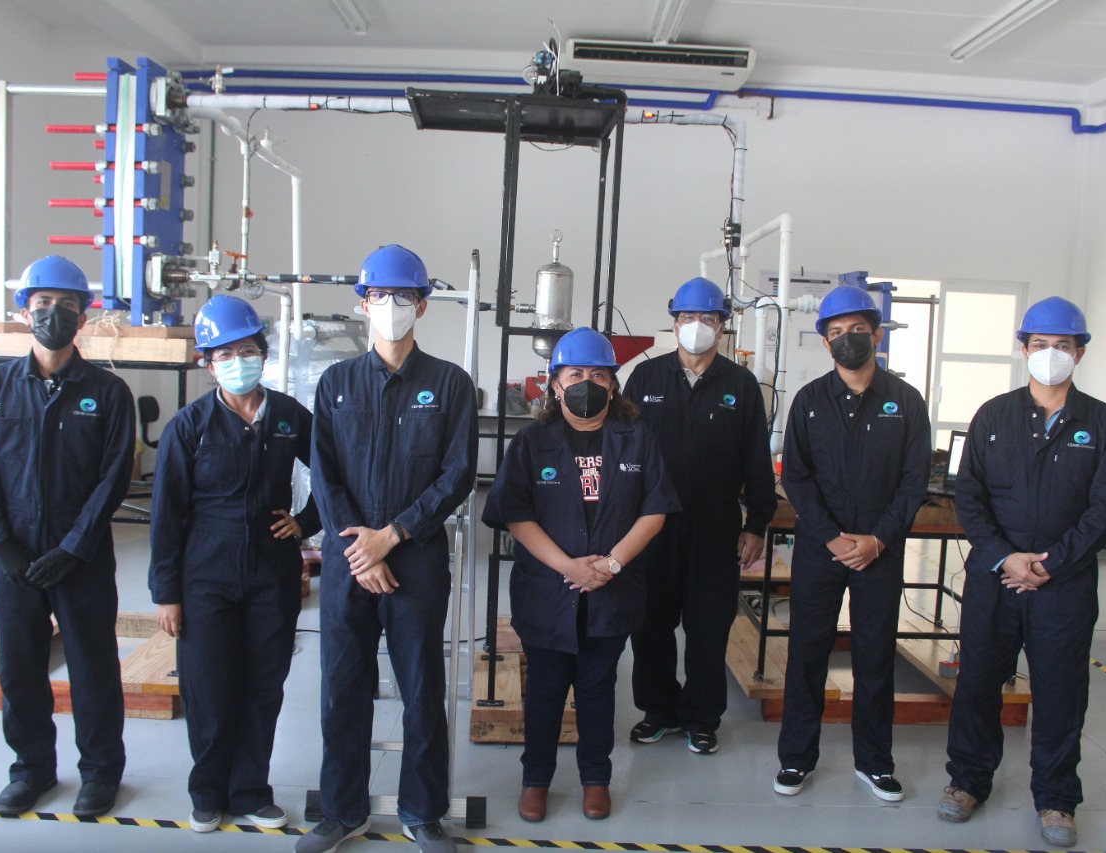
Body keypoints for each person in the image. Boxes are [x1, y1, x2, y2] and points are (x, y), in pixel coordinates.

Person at [301, 245, 477, 853]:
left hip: (416, 558)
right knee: (342, 687)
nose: (391, 306)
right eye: (380, 296)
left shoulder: (450, 384)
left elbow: (457, 474)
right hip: (349, 560)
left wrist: (392, 536)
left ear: (422, 306)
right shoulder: (337, 384)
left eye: (404, 297)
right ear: (363, 304)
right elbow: (324, 474)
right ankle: (342, 811)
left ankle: (422, 812)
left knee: (422, 688)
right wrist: (360, 549)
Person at [939, 296, 1106, 849]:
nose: (1051, 354)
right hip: (994, 579)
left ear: (1080, 353)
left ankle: (1056, 799)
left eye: (1062, 345)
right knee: (978, 683)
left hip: (1063, 585)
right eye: (1040, 344)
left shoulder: (1104, 424)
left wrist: (1052, 562)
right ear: (1024, 349)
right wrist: (1004, 556)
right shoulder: (993, 415)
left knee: (1061, 692)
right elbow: (969, 495)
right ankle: (967, 781)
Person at [483, 327, 679, 823]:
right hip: (548, 591)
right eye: (574, 374)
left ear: (612, 385)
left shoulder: (637, 439)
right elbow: (515, 515)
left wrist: (611, 564)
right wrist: (569, 567)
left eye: (597, 374)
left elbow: (654, 511)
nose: (586, 383)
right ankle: (535, 781)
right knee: (544, 691)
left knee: (597, 689)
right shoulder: (531, 443)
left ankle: (596, 779)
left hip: (612, 591)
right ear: (554, 385)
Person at [0, 255, 134, 818]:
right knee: (19, 666)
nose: (53, 313)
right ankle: (31, 770)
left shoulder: (108, 392)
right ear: (25, 312)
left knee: (92, 666)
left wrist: (73, 547)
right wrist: (1, 546)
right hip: (14, 554)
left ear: (82, 317)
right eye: (42, 304)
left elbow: (112, 480)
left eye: (65, 305)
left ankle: (100, 773)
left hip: (80, 555)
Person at [148, 295, 321, 833]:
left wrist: (306, 522)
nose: (237, 361)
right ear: (207, 364)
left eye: (246, 350)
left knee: (264, 685)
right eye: (224, 354)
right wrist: (166, 593)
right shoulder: (189, 426)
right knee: (208, 687)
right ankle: (207, 792)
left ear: (263, 354)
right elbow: (166, 514)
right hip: (206, 571)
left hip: (272, 570)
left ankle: (250, 791)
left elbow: (334, 474)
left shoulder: (289, 417)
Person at [774, 284, 930, 803]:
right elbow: (796, 478)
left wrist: (880, 539)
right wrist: (830, 537)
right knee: (807, 653)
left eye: (857, 330)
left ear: (877, 336)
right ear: (825, 343)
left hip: (878, 552)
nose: (847, 339)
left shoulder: (905, 401)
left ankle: (875, 763)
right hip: (821, 550)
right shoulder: (809, 401)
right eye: (836, 332)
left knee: (874, 655)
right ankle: (796, 758)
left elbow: (914, 481)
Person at [625, 277, 776, 754]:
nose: (697, 325)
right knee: (650, 624)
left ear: (721, 326)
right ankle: (658, 711)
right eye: (688, 317)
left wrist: (756, 525)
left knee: (709, 627)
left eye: (707, 318)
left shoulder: (741, 385)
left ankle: (702, 718)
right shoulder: (645, 378)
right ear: (674, 323)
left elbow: (757, 460)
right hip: (652, 526)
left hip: (715, 527)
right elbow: (623, 453)